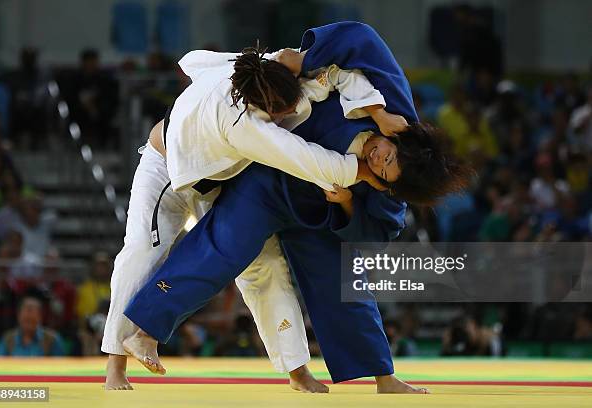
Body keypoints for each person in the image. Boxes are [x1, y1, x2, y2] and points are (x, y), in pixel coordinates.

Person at [123, 22, 471, 394]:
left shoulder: (389, 191)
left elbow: (377, 233)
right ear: (403, 140)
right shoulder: (393, 108)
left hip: (318, 211)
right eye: (389, 153)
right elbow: (361, 38)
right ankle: (146, 331)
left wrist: (349, 204)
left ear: (391, 185)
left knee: (342, 282)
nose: (379, 157)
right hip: (269, 180)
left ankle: (383, 377)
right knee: (223, 248)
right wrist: (312, 62)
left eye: (385, 171)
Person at [0, 296, 65, 357]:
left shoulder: (52, 339)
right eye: (26, 320)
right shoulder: (8, 339)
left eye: (32, 321)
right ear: (18, 317)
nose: (28, 324)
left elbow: (60, 368)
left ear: (40, 318)